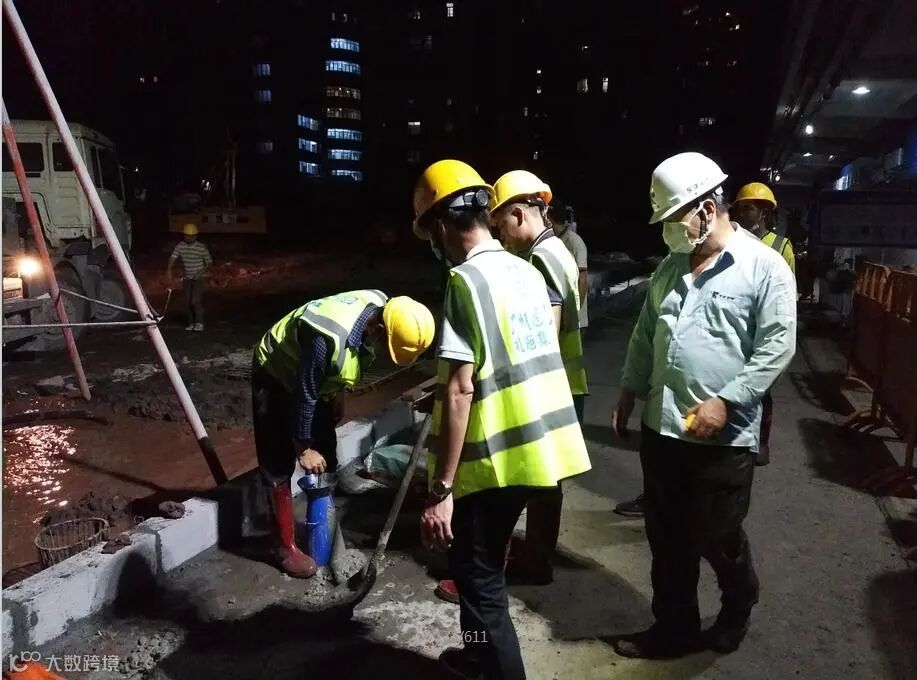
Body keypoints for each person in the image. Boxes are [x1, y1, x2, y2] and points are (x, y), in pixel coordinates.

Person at [611, 152, 797, 658]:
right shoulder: (670, 269)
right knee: (667, 540)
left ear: (708, 209)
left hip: (723, 437)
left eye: (673, 219)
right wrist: (629, 389)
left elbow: (777, 345)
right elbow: (646, 333)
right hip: (663, 428)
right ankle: (674, 629)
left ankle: (738, 604)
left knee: (717, 536)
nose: (667, 230)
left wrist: (728, 400)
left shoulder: (765, 268)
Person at [413, 159, 591, 680]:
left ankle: (499, 669)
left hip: (493, 460)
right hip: (537, 449)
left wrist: (442, 490)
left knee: (480, 578)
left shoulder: (464, 280)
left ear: (442, 227)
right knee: (475, 569)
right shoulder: (525, 270)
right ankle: (475, 656)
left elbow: (461, 387)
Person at [252, 291, 434, 578]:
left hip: (313, 375)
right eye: (386, 346)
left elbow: (347, 359)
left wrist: (337, 393)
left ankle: (325, 525)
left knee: (326, 445)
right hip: (277, 370)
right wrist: (303, 449)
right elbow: (305, 394)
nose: (384, 353)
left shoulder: (382, 310)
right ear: (378, 328)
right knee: (278, 460)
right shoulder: (325, 337)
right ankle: (284, 546)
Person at [732, 182, 795, 467]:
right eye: (741, 209)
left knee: (762, 388)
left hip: (765, 326)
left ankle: (761, 442)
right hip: (739, 324)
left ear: (764, 213)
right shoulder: (731, 242)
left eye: (749, 209)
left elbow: (789, 295)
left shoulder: (781, 247)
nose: (743, 214)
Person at [550, 201, 590, 332]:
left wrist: (575, 312)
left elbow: (583, 280)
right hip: (560, 316)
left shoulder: (574, 242)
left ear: (549, 218)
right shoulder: (553, 241)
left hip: (575, 320)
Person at [167, 223, 212, 331]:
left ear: (195, 236)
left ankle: (199, 323)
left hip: (198, 278)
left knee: (195, 301)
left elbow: (209, 263)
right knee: (187, 302)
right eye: (188, 235)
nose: (190, 238)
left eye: (192, 236)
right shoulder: (180, 246)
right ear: (184, 235)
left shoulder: (201, 247)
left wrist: (200, 272)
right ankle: (191, 323)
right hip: (187, 278)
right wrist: (169, 269)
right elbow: (173, 257)